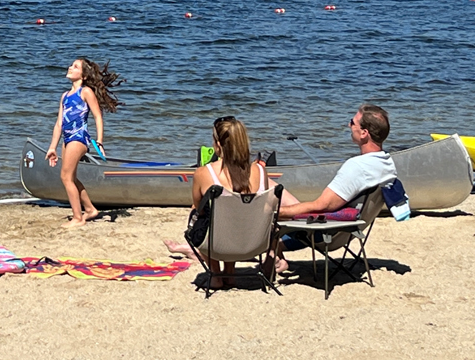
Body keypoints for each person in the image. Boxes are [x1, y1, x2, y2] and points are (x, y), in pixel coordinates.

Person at [272, 104, 398, 272]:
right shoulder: (386, 163)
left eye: (352, 123)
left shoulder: (356, 166)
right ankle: (277, 251)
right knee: (274, 187)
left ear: (364, 133)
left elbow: (322, 206)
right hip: (348, 230)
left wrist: (277, 213)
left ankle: (271, 253)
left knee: (267, 189)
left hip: (328, 232)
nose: (348, 126)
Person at [163, 116, 271, 288]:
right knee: (239, 214)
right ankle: (230, 272)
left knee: (202, 214)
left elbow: (199, 209)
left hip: (218, 245)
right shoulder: (259, 170)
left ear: (219, 145)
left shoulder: (204, 173)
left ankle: (215, 273)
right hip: (253, 243)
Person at [45, 58, 121, 228]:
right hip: (67, 138)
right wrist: (52, 147)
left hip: (79, 138)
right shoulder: (65, 96)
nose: (70, 68)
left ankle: (78, 218)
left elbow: (98, 116)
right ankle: (90, 209)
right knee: (70, 177)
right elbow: (59, 123)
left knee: (65, 177)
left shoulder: (85, 92)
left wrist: (100, 141)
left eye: (75, 66)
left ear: (84, 75)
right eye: (71, 65)